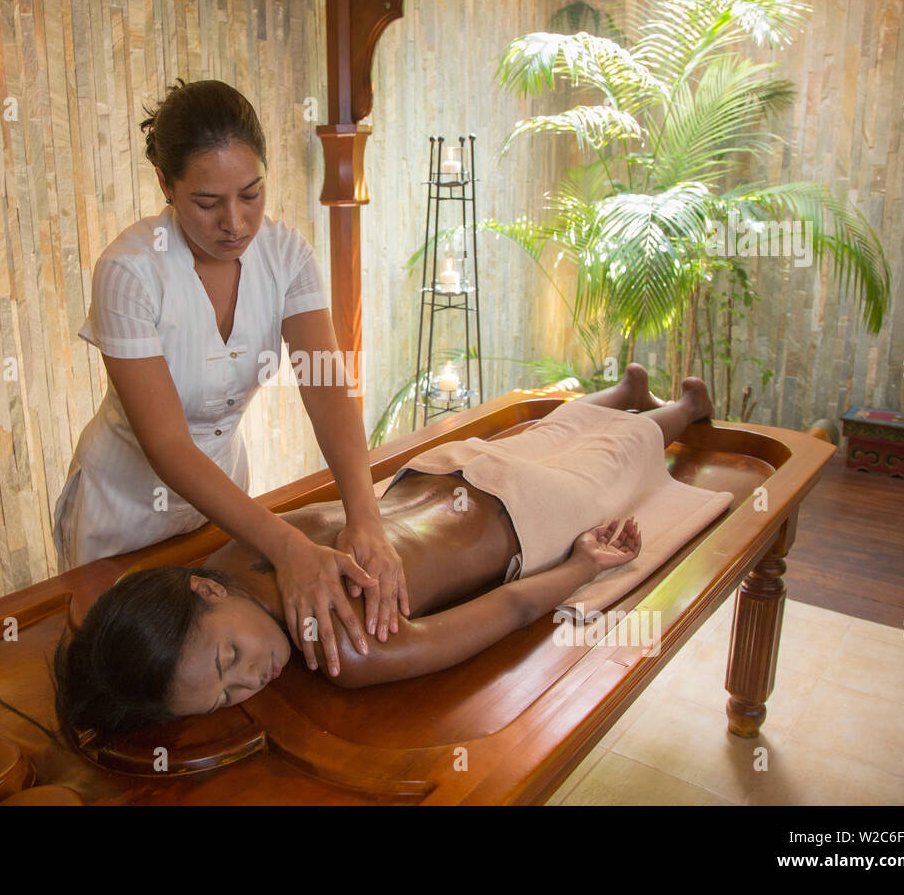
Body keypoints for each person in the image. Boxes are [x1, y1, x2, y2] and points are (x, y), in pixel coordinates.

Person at [53, 365, 716, 748]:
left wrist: (579, 570)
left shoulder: (258, 564)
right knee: (610, 453)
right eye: (224, 697)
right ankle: (678, 408)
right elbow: (506, 605)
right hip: (514, 516)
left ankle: (633, 397)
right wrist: (583, 565)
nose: (251, 682)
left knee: (549, 431)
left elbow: (515, 611)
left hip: (440, 476)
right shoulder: (311, 623)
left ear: (204, 591)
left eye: (228, 658)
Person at [52, 79, 407, 673]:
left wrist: (364, 518)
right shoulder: (130, 271)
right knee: (143, 674)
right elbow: (166, 444)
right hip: (125, 509)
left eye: (251, 193)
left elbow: (326, 389)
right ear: (166, 186)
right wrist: (288, 545)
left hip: (224, 505)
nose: (235, 222)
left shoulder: (286, 257)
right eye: (207, 202)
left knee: (220, 659)